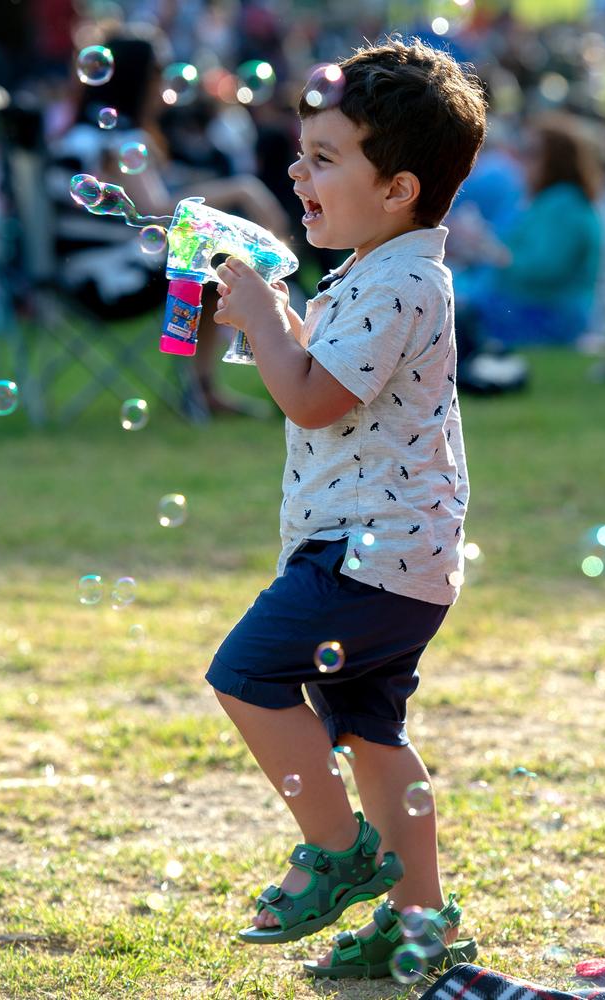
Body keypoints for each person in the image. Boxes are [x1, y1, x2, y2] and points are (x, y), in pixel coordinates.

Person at [204, 37, 485, 980]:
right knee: (371, 733)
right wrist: (268, 309)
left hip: (368, 557)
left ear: (399, 186)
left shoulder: (405, 278)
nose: (298, 172)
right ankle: (419, 924)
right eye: (302, 153)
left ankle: (338, 851)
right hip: (386, 556)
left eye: (326, 158)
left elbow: (314, 396)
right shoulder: (376, 268)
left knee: (245, 673)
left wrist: (261, 318)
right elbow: (314, 373)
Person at [49, 27, 290, 416]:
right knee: (226, 262)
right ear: (138, 80)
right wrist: (243, 189)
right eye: (159, 71)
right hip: (106, 280)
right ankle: (219, 387)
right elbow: (158, 207)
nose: (165, 83)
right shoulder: (116, 139)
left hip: (75, 273)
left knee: (222, 256)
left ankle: (205, 388)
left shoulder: (86, 132)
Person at [453, 111, 603, 350]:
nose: (521, 161)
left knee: (447, 310)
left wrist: (491, 251)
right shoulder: (546, 201)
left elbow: (543, 269)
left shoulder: (563, 203)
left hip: (546, 314)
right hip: (533, 307)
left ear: (556, 160)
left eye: (531, 153)